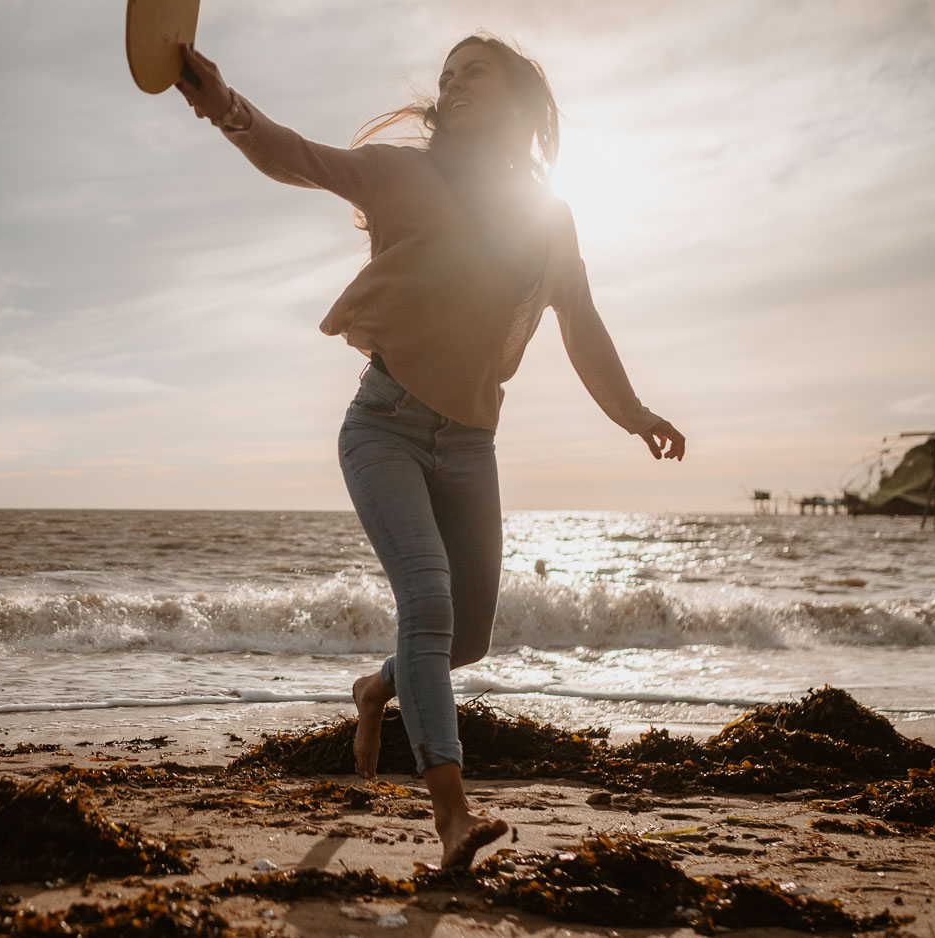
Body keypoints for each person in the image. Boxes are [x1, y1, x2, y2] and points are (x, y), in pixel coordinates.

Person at [174, 34, 685, 869]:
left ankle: (378, 689)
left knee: (469, 636)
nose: (453, 85)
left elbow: (581, 323)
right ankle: (451, 816)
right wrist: (225, 106)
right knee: (430, 601)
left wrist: (633, 412)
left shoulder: (546, 219)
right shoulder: (403, 175)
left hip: (472, 446)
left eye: (473, 72)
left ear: (520, 100)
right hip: (384, 426)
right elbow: (294, 157)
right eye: (446, 77)